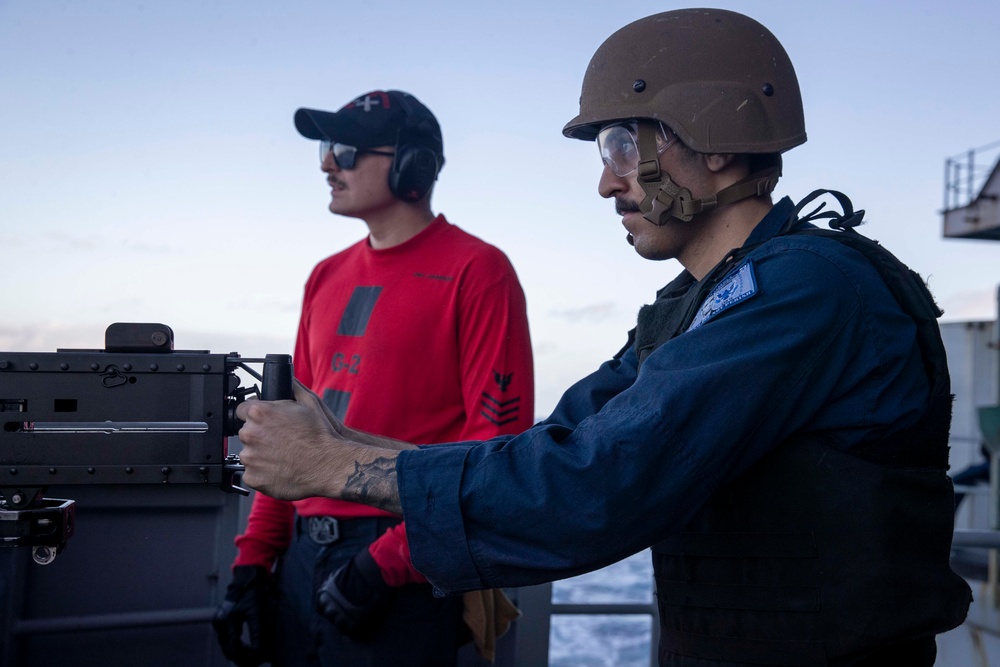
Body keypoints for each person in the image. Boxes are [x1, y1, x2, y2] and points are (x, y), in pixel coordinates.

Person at [234, 11, 973, 666]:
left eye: (623, 145)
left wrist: (336, 465)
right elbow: (555, 442)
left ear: (714, 141)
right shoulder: (694, 306)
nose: (607, 183)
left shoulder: (807, 292)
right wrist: (345, 445)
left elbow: (598, 483)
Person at [214, 89, 534, 667]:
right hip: (300, 562)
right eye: (325, 149)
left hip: (401, 563)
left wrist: (385, 566)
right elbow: (291, 434)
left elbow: (491, 449)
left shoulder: (478, 270)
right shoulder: (324, 276)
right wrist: (252, 566)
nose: (326, 163)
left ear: (413, 165)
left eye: (345, 149)